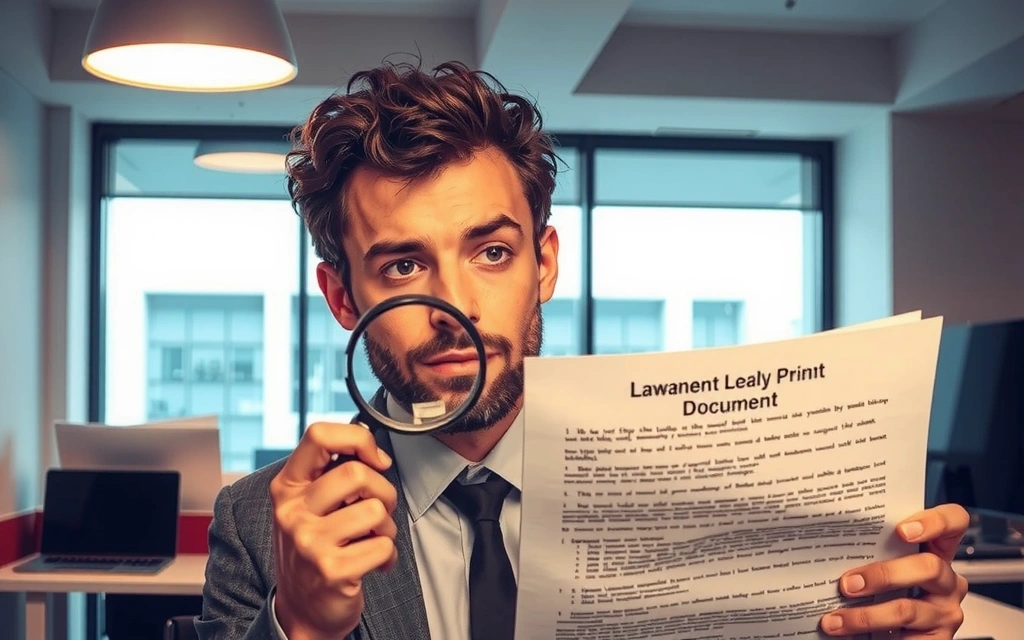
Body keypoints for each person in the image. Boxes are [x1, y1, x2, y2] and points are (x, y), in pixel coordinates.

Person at [195, 60, 970, 640]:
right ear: (342, 299)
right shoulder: (258, 524)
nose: (454, 307)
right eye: (403, 265)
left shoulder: (695, 490)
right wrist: (296, 627)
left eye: (491, 253)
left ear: (546, 264)